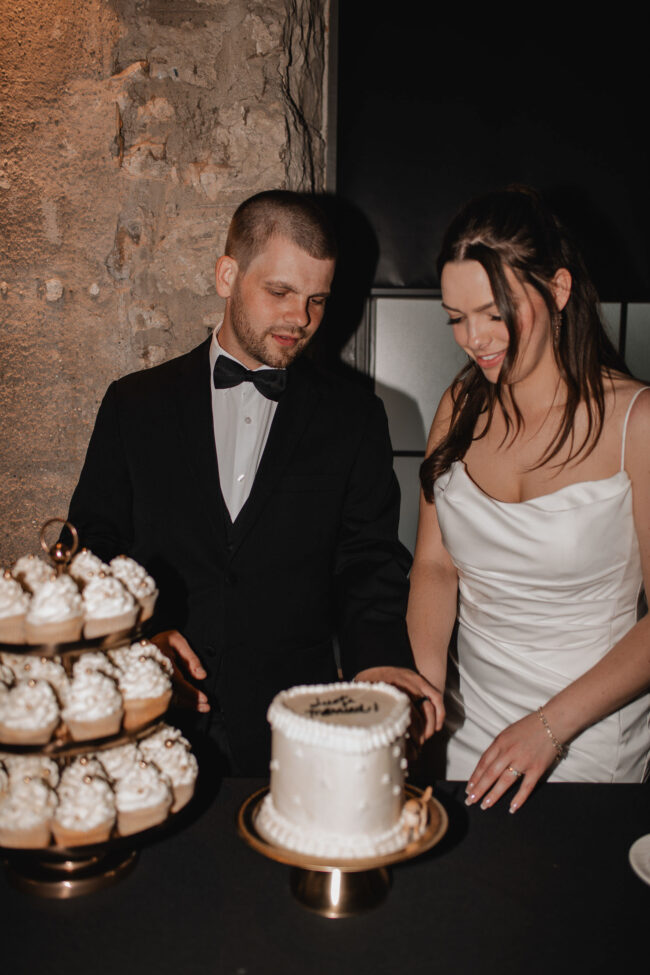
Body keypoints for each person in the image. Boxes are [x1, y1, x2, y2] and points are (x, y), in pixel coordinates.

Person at [68, 190, 441, 775]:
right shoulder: (134, 405)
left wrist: (378, 662)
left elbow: (367, 562)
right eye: (280, 292)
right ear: (227, 275)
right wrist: (142, 638)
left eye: (317, 299)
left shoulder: (355, 418)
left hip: (291, 729)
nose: (301, 318)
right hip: (150, 716)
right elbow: (94, 546)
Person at [407, 187, 650, 812]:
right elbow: (434, 567)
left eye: (494, 312)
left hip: (588, 738)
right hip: (467, 733)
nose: (474, 339)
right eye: (456, 318)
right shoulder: (458, 407)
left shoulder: (637, 422)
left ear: (559, 290)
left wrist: (548, 728)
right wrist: (428, 697)